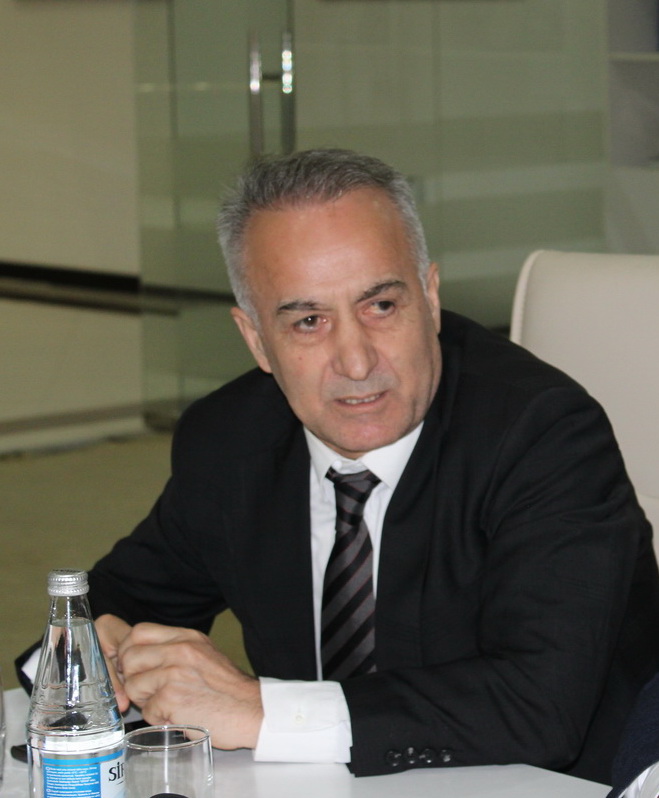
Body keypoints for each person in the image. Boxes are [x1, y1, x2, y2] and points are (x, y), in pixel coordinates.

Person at [27, 149, 659, 783]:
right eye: (309, 321)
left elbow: (538, 705)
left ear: (430, 298)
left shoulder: (544, 433)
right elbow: (112, 604)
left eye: (380, 306)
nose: (356, 362)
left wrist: (258, 709)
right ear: (256, 340)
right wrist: (90, 657)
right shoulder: (230, 439)